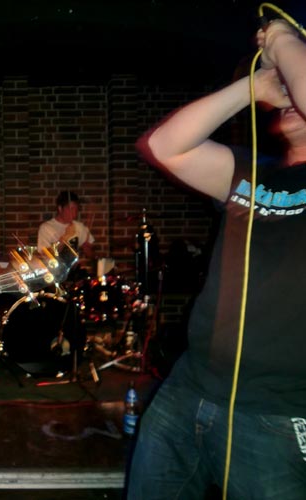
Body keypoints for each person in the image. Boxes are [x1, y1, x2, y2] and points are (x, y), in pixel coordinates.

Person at [127, 19, 306, 499]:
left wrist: (285, 40)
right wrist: (254, 87)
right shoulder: (253, 171)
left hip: (277, 413)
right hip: (190, 388)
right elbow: (164, 146)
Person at [37, 190, 95, 261]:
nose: (74, 213)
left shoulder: (79, 227)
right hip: (54, 267)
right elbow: (45, 255)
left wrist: (88, 250)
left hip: (74, 267)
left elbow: (92, 255)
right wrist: (65, 237)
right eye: (71, 209)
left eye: (76, 210)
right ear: (60, 208)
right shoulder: (46, 228)